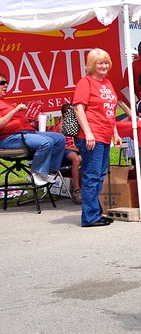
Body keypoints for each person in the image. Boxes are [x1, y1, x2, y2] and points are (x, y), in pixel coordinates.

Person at [73, 48, 123, 227]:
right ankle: (90, 217)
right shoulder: (85, 82)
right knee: (92, 175)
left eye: (106, 63)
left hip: (105, 135)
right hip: (92, 135)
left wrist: (115, 133)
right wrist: (88, 132)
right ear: (91, 65)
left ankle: (95, 212)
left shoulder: (107, 83)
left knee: (100, 175)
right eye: (100, 63)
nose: (104, 66)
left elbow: (110, 112)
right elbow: (79, 108)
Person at [0, 78, 67, 187]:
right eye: (2, 83)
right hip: (9, 138)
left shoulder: (6, 103)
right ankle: (34, 173)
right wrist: (15, 110)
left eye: (6, 82)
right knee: (46, 142)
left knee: (59, 139)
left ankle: (48, 172)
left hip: (26, 132)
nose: (6, 85)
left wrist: (30, 121)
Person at [63, 138, 82, 204]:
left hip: (72, 150)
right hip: (60, 150)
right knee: (76, 158)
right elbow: (60, 144)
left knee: (86, 157)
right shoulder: (59, 129)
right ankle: (76, 190)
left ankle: (83, 188)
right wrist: (76, 149)